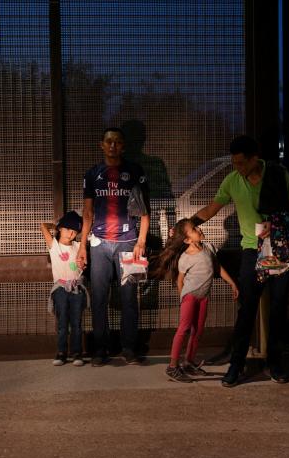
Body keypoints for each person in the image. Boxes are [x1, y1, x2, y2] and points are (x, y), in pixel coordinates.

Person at [191, 135, 289, 387]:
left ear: (255, 158)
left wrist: (280, 225)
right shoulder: (233, 180)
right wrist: (188, 225)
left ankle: (275, 363)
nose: (237, 167)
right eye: (234, 163)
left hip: (278, 249)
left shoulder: (278, 174)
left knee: (277, 308)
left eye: (241, 163)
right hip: (252, 250)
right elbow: (211, 208)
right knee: (247, 308)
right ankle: (236, 365)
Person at [77, 127, 150, 366]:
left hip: (128, 242)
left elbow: (145, 212)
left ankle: (129, 348)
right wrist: (82, 246)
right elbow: (87, 212)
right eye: (108, 141)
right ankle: (100, 349)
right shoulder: (92, 174)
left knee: (129, 297)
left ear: (124, 146)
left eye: (117, 142)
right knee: (99, 297)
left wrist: (141, 241)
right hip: (99, 244)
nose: (112, 146)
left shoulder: (134, 172)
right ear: (101, 145)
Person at [150, 218, 239, 382]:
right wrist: (183, 297)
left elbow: (218, 267)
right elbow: (180, 280)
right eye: (193, 229)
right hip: (190, 297)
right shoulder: (185, 258)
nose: (198, 229)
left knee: (197, 331)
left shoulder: (209, 248)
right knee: (183, 329)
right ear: (187, 240)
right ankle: (172, 366)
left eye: (196, 227)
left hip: (203, 297)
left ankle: (188, 362)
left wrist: (232, 282)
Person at [41, 211, 87, 367]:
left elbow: (83, 262)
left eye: (75, 231)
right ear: (61, 229)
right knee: (62, 323)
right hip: (60, 288)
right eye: (67, 229)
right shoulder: (54, 246)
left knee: (76, 323)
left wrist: (83, 264)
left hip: (76, 288)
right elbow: (42, 226)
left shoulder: (79, 246)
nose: (71, 233)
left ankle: (77, 353)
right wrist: (55, 225)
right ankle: (61, 353)